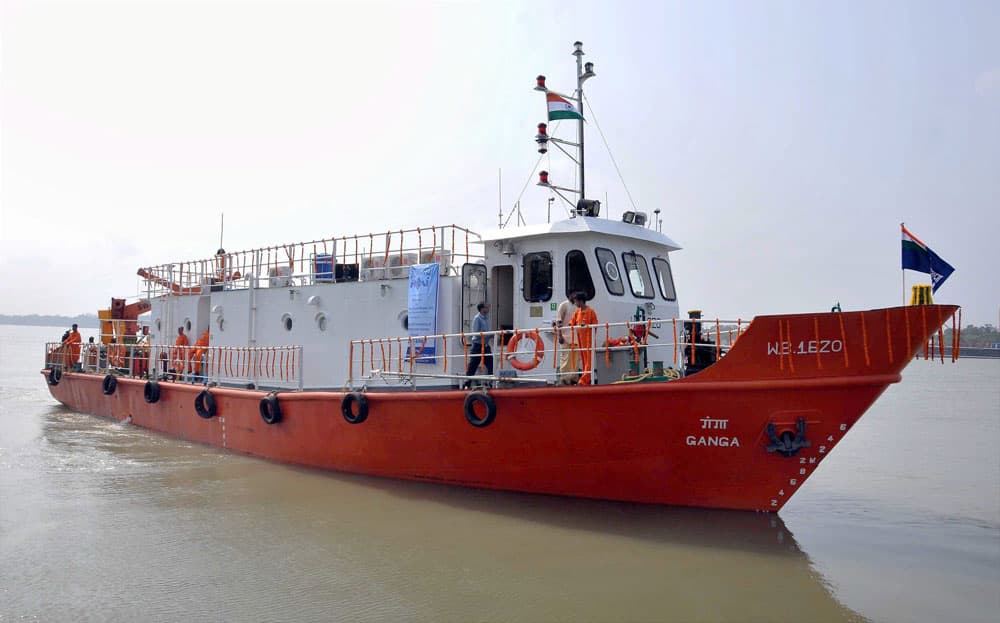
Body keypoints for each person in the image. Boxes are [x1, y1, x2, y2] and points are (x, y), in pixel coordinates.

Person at [570, 293, 598, 385]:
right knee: (584, 360)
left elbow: (595, 325)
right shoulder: (577, 313)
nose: (575, 304)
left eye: (576, 301)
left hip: (588, 340)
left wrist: (587, 327)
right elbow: (572, 322)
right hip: (580, 340)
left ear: (580, 301)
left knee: (588, 361)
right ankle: (585, 378)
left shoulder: (591, 312)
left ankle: (584, 380)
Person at [464, 302, 493, 386]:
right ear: (482, 309)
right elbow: (476, 333)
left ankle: (491, 382)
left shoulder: (487, 318)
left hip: (486, 345)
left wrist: (489, 335)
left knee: (490, 363)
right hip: (478, 345)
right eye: (486, 307)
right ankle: (467, 382)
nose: (488, 309)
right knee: (473, 364)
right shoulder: (477, 318)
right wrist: (487, 334)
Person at [552, 295, 579, 384]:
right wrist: (560, 336)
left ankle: (573, 379)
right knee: (565, 359)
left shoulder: (578, 306)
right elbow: (559, 321)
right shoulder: (563, 305)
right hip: (565, 337)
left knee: (575, 359)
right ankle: (564, 379)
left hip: (576, 338)